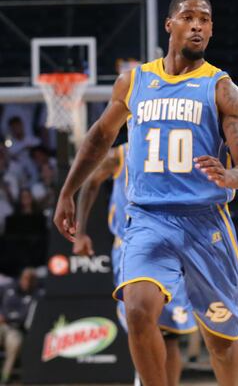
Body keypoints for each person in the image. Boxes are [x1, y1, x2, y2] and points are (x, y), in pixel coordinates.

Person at [53, 0, 238, 386]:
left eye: (204, 19)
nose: (197, 25)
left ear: (211, 30)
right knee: (137, 311)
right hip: (149, 218)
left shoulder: (222, 88)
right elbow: (99, 138)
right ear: (169, 24)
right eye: (188, 17)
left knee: (220, 339)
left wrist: (232, 175)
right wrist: (67, 192)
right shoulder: (134, 81)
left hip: (204, 222)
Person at [73, 143, 198, 386]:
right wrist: (80, 233)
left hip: (171, 247)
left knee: (170, 334)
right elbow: (90, 183)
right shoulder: (120, 154)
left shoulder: (180, 147)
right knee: (142, 326)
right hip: (132, 247)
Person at [0, 268, 42, 384]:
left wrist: (8, 318)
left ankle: (4, 378)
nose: (27, 282)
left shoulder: (36, 296)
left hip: (16, 329)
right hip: (1, 325)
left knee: (15, 344)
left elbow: (26, 318)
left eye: (31, 280)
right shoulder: (8, 288)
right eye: (26, 278)